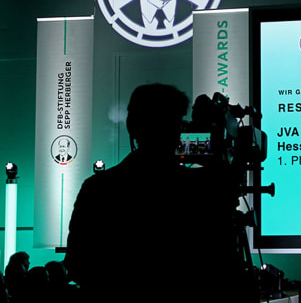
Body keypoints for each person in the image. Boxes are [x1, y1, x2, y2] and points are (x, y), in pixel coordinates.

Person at [64, 84, 242, 303]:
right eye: (178, 123)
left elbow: (77, 265)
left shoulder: (98, 188)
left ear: (131, 126)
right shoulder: (201, 190)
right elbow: (223, 266)